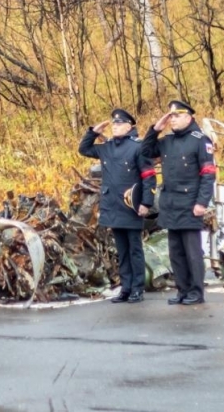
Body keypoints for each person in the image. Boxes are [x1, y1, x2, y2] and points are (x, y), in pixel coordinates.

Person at [141, 100, 216, 306]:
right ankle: (182, 290)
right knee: (176, 252)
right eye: (170, 116)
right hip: (170, 204)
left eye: (176, 116)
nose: (172, 119)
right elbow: (145, 151)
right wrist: (155, 129)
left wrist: (202, 202)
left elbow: (208, 174)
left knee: (193, 252)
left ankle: (196, 292)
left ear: (188, 117)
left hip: (191, 204)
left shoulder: (200, 140)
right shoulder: (167, 140)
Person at [78, 109, 156, 303]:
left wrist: (146, 202)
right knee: (121, 250)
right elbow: (84, 149)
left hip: (131, 205)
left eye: (119, 124)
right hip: (112, 205)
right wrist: (93, 132)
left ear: (130, 127)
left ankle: (137, 288)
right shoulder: (107, 147)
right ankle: (126, 287)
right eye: (113, 124)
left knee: (134, 249)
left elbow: (149, 177)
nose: (115, 126)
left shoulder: (138, 147)